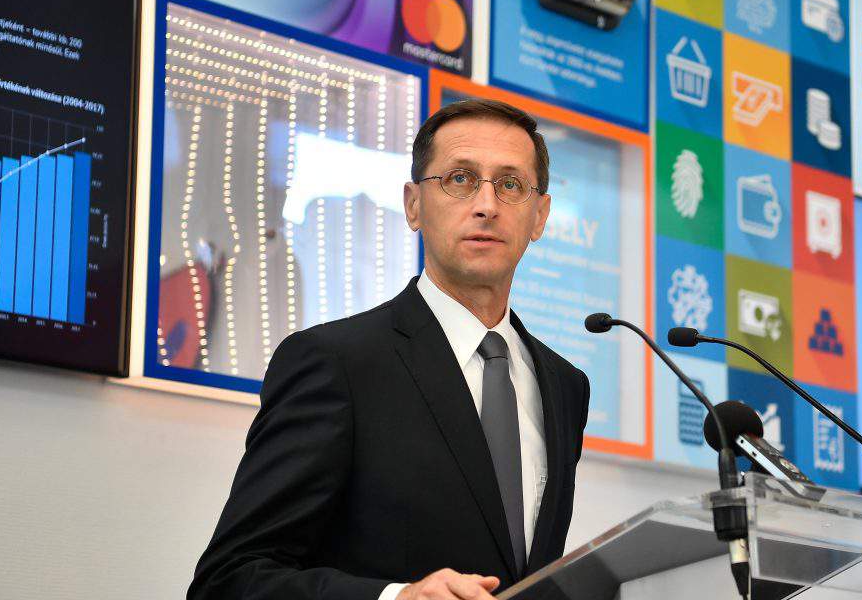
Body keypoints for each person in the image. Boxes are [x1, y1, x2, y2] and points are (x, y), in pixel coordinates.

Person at [189, 98, 591, 600]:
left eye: (510, 184)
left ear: (539, 216)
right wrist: (396, 597)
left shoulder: (565, 386)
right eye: (460, 178)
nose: (487, 205)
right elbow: (228, 580)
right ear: (413, 205)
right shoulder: (335, 363)